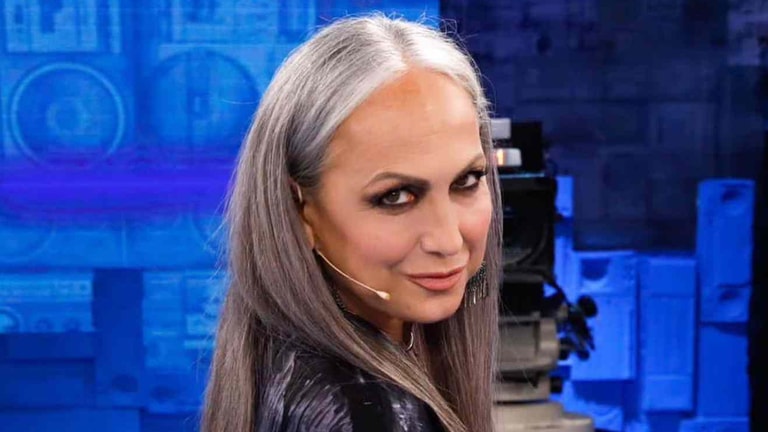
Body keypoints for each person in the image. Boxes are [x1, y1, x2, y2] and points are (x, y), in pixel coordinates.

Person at [201, 14, 503, 432]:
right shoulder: (363, 410)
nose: (449, 240)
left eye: (466, 181)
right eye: (395, 197)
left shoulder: (282, 362)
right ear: (300, 208)